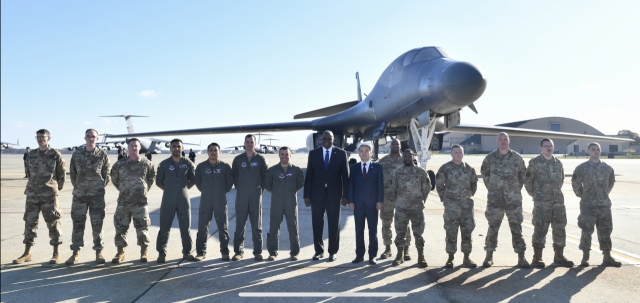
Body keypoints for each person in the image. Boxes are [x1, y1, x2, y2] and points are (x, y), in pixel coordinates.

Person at [13, 129, 66, 264]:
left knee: (53, 222)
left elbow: (61, 174)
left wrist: (54, 188)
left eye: (43, 137)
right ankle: (27, 252)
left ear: (49, 138)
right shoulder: (32, 155)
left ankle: (56, 253)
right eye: (38, 137)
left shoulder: (55, 154)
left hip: (49, 194)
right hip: (33, 194)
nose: (40, 139)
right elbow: (29, 172)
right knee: (30, 223)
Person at [481, 132, 529, 268]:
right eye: (500, 140)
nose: (503, 142)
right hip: (495, 200)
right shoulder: (489, 159)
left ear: (509, 141)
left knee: (517, 228)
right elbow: (485, 175)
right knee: (492, 228)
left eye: (505, 139)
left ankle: (521, 257)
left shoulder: (517, 158)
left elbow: (522, 176)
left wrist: (513, 190)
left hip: (513, 200)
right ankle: (489, 256)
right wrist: (494, 188)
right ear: (497, 142)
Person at [525, 138, 573, 267]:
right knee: (540, 228)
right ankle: (537, 257)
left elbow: (561, 180)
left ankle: (559, 256)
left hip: (558, 202)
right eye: (545, 146)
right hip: (541, 203)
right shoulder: (534, 163)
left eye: (550, 145)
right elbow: (528, 181)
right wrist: (536, 195)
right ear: (540, 148)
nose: (548, 148)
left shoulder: (558, 163)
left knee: (559, 228)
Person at [65, 129, 111, 265]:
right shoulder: (77, 154)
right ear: (85, 138)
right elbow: (72, 173)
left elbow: (106, 174)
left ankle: (99, 252)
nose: (91, 139)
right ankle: (75, 252)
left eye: (94, 137)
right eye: (89, 136)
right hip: (80, 195)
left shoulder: (102, 154)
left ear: (97, 139)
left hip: (96, 196)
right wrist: (80, 186)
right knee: (78, 224)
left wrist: (98, 187)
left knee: (97, 224)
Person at [572, 142, 621, 267]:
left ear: (600, 151)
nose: (595, 151)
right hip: (588, 205)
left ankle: (607, 256)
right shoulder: (581, 168)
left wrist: (604, 194)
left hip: (604, 205)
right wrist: (583, 195)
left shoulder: (607, 168)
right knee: (587, 230)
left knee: (605, 230)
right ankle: (585, 256)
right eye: (593, 149)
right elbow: (576, 183)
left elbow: (610, 183)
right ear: (588, 151)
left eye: (597, 149)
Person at [303, 130, 349, 261]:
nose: (326, 141)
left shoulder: (341, 154)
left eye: (329, 139)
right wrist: (307, 195)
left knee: (334, 223)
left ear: (333, 140)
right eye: (324, 139)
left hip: (334, 195)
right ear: (321, 140)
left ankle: (333, 251)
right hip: (317, 195)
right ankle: (318, 251)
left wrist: (345, 195)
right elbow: (309, 176)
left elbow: (346, 176)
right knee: (317, 223)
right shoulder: (313, 154)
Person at [110, 138, 156, 263]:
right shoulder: (120, 164)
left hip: (140, 201)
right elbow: (114, 177)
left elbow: (151, 177)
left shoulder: (147, 163)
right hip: (124, 201)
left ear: (140, 147)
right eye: (131, 146)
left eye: (136, 146)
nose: (134, 148)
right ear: (128, 147)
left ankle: (144, 252)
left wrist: (144, 189)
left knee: (142, 227)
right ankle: (120, 252)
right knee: (120, 227)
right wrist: (123, 188)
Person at [435, 144, 478, 268]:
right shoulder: (445, 168)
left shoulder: (469, 169)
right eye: (455, 152)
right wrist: (446, 199)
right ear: (451, 154)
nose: (458, 154)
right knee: (451, 233)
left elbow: (473, 185)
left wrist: (467, 197)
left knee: (467, 233)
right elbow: (439, 185)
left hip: (467, 208)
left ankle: (466, 257)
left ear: (463, 154)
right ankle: (450, 258)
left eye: (460, 152)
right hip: (451, 208)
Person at [155, 139, 196, 262]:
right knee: (164, 226)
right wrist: (169, 189)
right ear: (170, 148)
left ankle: (187, 252)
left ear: (182, 148)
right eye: (174, 146)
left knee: (185, 226)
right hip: (168, 198)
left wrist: (183, 188)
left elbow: (193, 180)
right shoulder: (164, 164)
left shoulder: (189, 163)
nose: (176, 148)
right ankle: (161, 253)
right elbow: (158, 181)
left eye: (179, 146)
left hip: (184, 198)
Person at [389, 149, 429, 267]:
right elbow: (393, 189)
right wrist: (400, 201)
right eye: (405, 156)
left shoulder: (421, 172)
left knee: (418, 233)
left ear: (413, 157)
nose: (407, 158)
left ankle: (421, 256)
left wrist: (420, 201)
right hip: (401, 208)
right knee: (400, 232)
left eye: (409, 156)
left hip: (417, 208)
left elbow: (426, 188)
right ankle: (399, 255)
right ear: (403, 158)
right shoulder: (397, 172)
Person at [194, 143, 233, 261]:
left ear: (219, 152)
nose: (213, 152)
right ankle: (201, 252)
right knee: (202, 227)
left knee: (223, 227)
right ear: (207, 152)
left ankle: (225, 251)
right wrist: (206, 191)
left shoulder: (225, 167)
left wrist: (220, 192)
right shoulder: (201, 167)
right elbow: (198, 182)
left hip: (220, 200)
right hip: (205, 200)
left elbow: (229, 183)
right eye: (211, 150)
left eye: (215, 150)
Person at [231, 134, 268, 261]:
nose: (249, 144)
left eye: (251, 142)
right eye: (247, 142)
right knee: (240, 224)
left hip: (255, 195)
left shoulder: (261, 159)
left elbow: (265, 177)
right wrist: (241, 188)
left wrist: (258, 190)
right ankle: (238, 251)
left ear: (255, 143)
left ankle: (257, 251)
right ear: (244, 143)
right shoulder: (238, 160)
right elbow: (234, 177)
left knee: (256, 224)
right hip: (241, 195)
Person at [264, 146, 304, 261]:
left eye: (287, 154)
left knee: (293, 227)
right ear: (279, 155)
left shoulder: (296, 170)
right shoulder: (272, 170)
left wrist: (292, 191)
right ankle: (272, 252)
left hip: (291, 203)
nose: (284, 156)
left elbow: (300, 183)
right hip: (276, 203)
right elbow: (267, 184)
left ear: (290, 156)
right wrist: (276, 192)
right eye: (282, 154)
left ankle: (294, 252)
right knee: (274, 228)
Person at [348, 143, 383, 265]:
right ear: (359, 153)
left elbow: (380, 186)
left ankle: (372, 255)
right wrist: (350, 201)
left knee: (372, 231)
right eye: (361, 151)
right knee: (359, 230)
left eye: (366, 151)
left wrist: (380, 201)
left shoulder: (377, 168)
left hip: (373, 204)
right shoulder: (354, 168)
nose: (364, 153)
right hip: (358, 204)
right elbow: (350, 186)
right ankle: (359, 255)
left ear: (371, 153)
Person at [378, 139, 412, 260]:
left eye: (397, 144)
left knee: (404, 224)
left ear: (400, 146)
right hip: (387, 198)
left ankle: (406, 249)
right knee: (386, 223)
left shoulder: (406, 160)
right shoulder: (382, 162)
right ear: (390, 146)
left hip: (402, 198)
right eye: (393, 144)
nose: (395, 146)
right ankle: (388, 248)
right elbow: (378, 181)